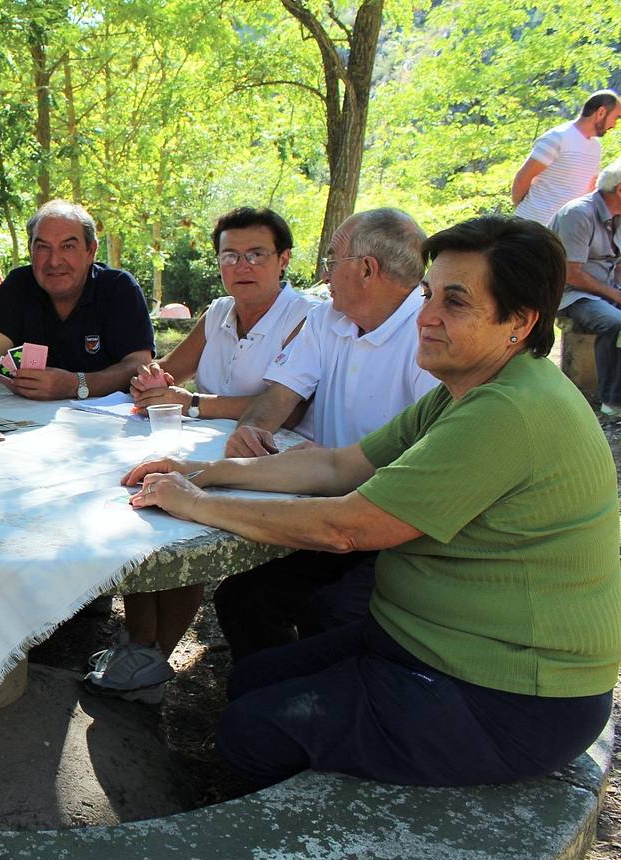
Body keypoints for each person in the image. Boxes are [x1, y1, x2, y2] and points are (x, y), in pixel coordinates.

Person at [123, 214, 620, 789]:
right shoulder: (473, 388)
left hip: (508, 693)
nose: (426, 316)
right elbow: (339, 464)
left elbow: (349, 528)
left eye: (454, 303)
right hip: (422, 641)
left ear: (521, 321)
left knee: (249, 729)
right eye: (429, 293)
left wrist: (196, 505)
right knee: (253, 678)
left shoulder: (506, 412)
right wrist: (202, 471)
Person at [86, 207, 318, 701]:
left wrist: (190, 403)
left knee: (181, 536)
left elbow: (287, 409)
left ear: (284, 260)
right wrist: (152, 383)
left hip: (262, 461)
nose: (242, 265)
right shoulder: (217, 313)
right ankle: (139, 646)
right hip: (192, 450)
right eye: (230, 254)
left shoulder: (305, 320)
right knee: (142, 511)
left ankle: (153, 661)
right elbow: (171, 369)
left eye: (256, 254)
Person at [215, 208, 439, 661]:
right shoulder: (326, 319)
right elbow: (280, 394)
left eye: (332, 260)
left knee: (329, 612)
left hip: (402, 530)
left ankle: (322, 710)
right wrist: (253, 430)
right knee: (240, 598)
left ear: (367, 269)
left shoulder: (430, 334)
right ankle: (270, 703)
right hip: (330, 502)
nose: (323, 273)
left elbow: (427, 467)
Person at [0, 200, 154, 404]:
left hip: (107, 426)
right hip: (24, 425)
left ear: (90, 251)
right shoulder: (19, 285)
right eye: (42, 247)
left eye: (68, 246)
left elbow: (138, 364)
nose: (54, 261)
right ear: (31, 250)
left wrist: (76, 384)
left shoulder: (119, 288)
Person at [549, 158, 621, 416]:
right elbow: (572, 274)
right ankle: (612, 401)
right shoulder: (579, 213)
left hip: (604, 288)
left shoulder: (617, 217)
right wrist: (615, 295)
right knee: (615, 322)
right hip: (571, 294)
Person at [512, 90, 620, 225]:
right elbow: (523, 178)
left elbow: (590, 187)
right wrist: (523, 212)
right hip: (532, 225)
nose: (614, 125)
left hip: (566, 228)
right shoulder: (558, 137)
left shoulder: (595, 147)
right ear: (601, 112)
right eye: (616, 117)